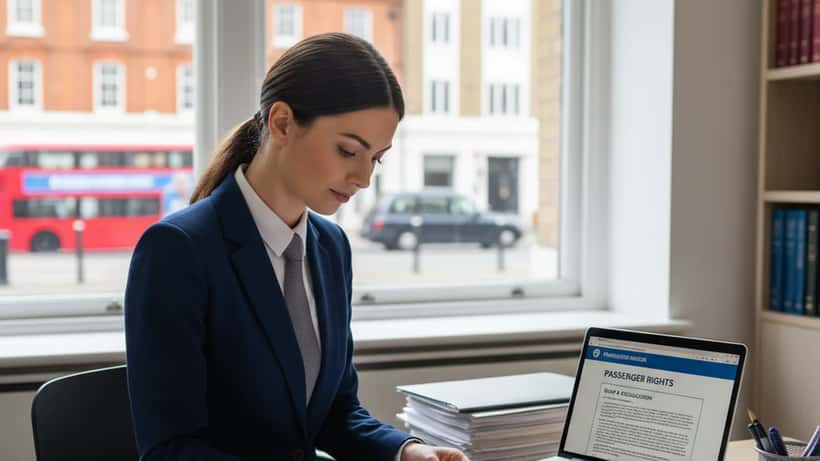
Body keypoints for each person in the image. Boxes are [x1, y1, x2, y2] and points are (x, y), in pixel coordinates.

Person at [124, 32, 470, 461]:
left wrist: (405, 451)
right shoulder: (178, 250)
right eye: (348, 151)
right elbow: (171, 450)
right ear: (282, 122)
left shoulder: (330, 248)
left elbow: (335, 413)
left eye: (375, 158)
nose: (363, 178)